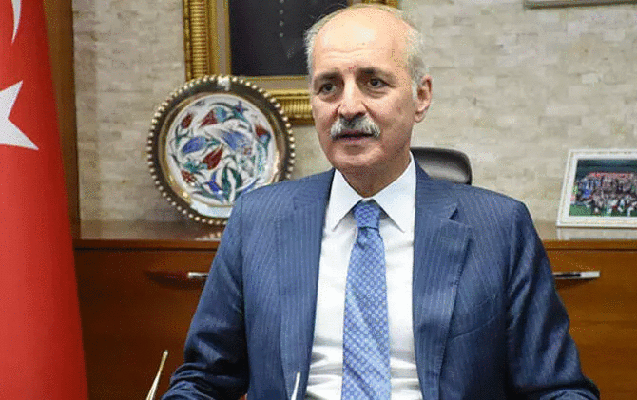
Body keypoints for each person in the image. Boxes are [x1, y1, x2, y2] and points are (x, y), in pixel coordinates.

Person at [162, 4, 599, 399]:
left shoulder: (499, 228)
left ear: (421, 96)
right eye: (329, 87)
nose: (348, 107)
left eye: (374, 83)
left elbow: (559, 390)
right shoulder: (258, 219)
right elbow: (203, 380)